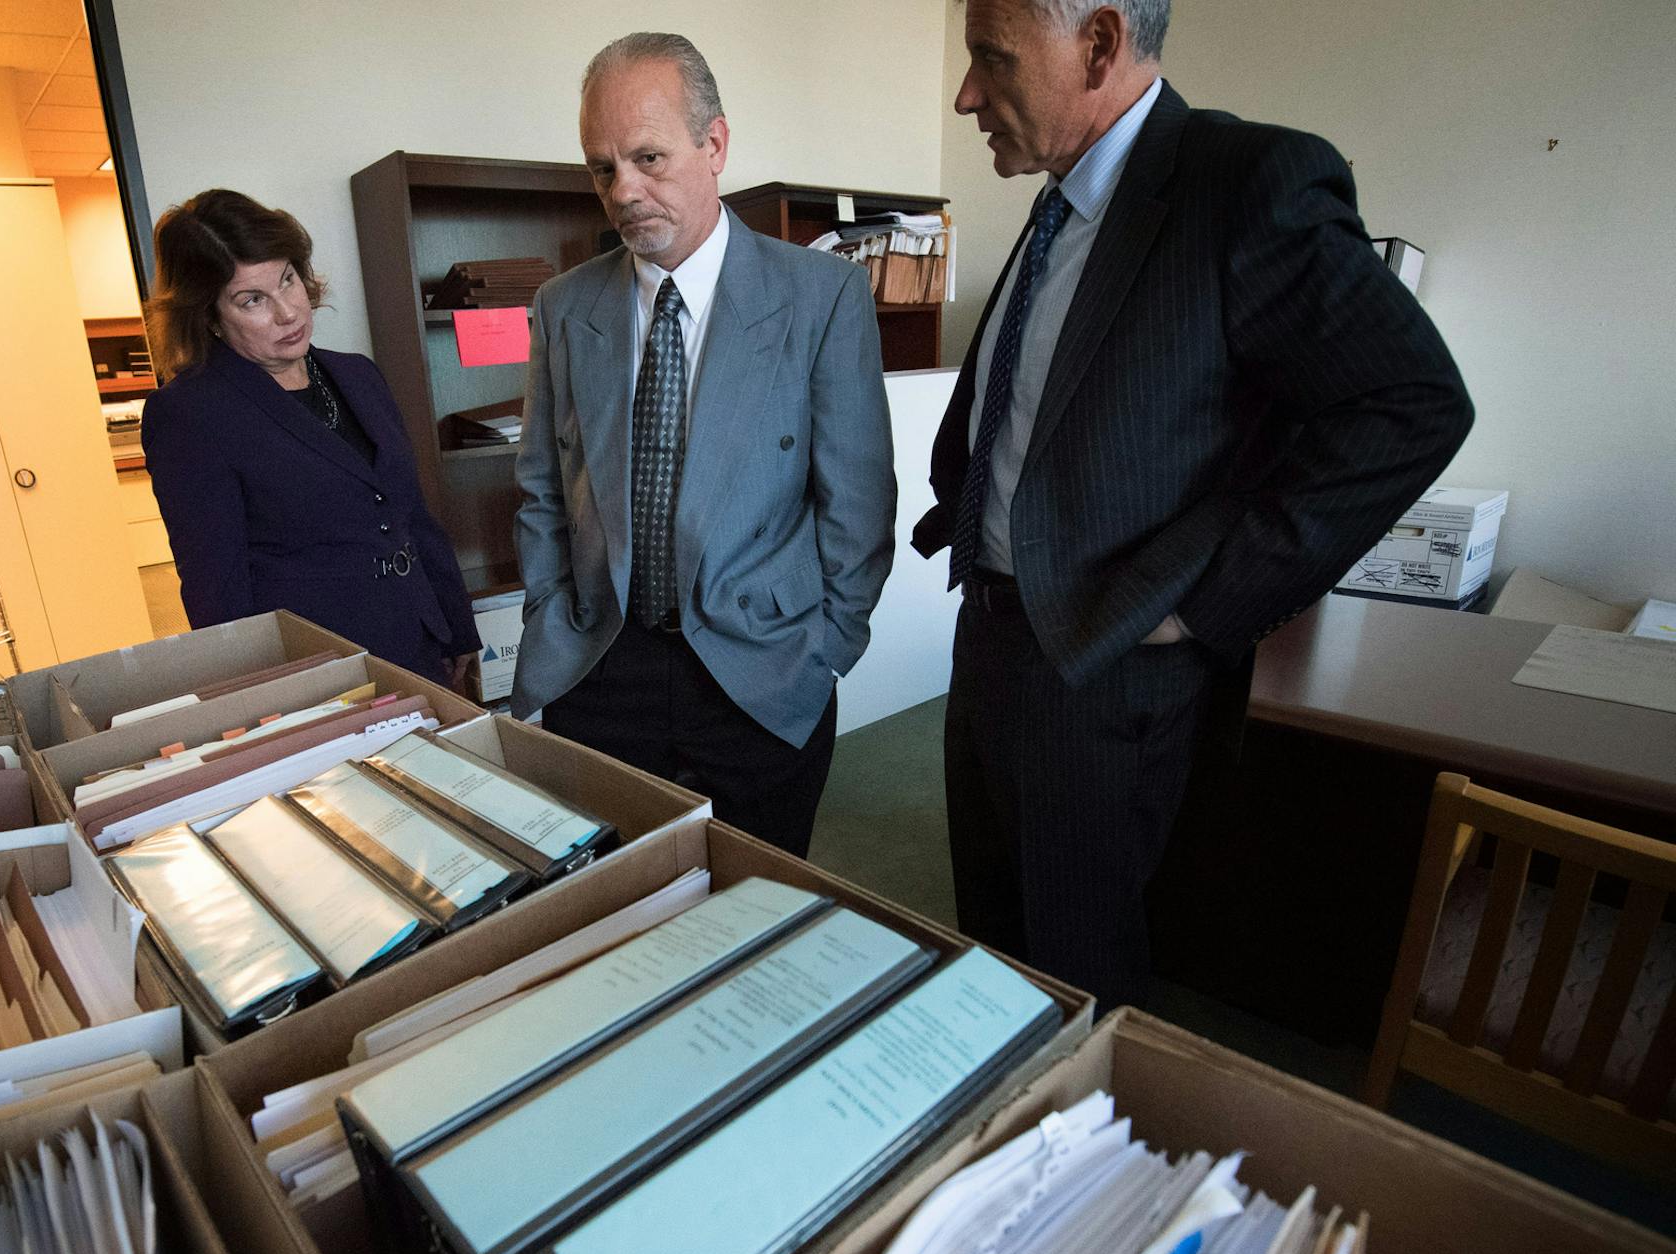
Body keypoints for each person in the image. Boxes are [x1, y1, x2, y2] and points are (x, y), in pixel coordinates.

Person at [913, 0, 1473, 1007]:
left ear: (1098, 45)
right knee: (993, 960)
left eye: (992, 61)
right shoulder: (1059, 204)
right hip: (992, 638)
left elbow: (1411, 404)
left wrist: (1206, 606)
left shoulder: (1242, 185)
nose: (967, 95)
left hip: (1105, 670)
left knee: (1079, 991)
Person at [513, 32, 898, 857]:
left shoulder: (821, 296)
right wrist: (552, 618)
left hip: (764, 669)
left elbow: (857, 502)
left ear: (715, 143)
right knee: (615, 905)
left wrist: (825, 650)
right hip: (601, 667)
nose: (623, 192)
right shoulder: (561, 306)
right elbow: (544, 488)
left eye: (648, 158)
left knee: (762, 903)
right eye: (602, 167)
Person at [141, 189, 480, 689]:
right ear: (209, 316)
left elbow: (411, 514)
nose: (288, 312)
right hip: (318, 673)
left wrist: (458, 626)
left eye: (287, 280)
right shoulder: (190, 413)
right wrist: (265, 700)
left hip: (420, 638)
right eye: (252, 300)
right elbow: (217, 586)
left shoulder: (358, 374)